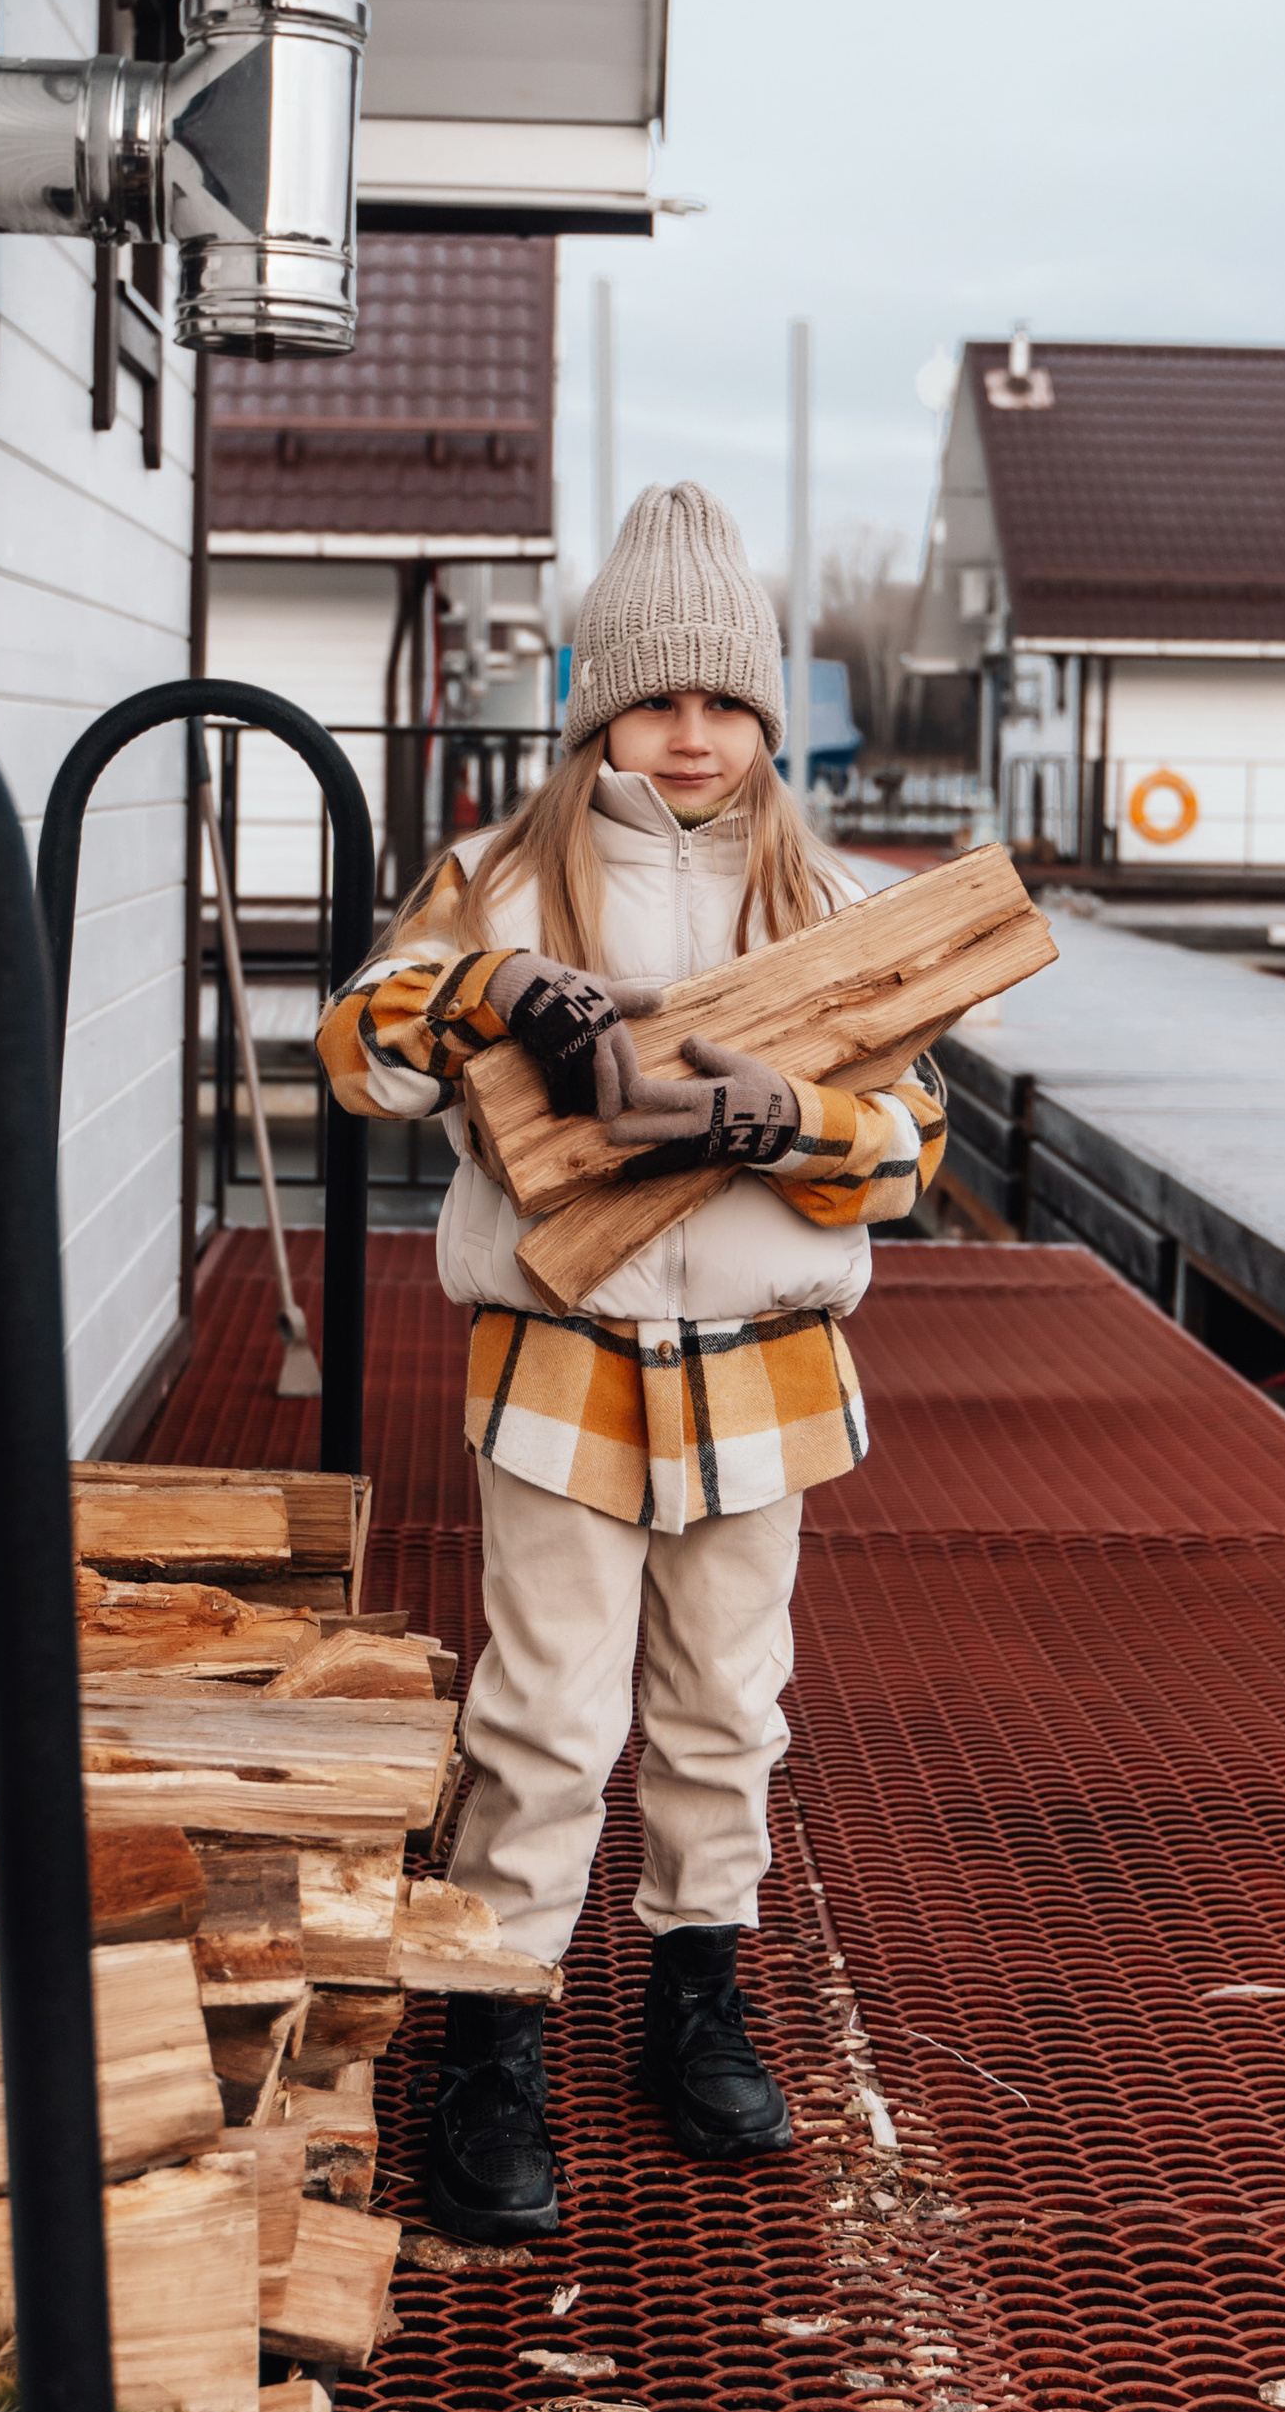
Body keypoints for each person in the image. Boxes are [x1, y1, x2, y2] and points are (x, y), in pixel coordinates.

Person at [314, 483, 948, 2242]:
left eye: (725, 701)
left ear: (765, 711)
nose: (692, 733)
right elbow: (357, 1049)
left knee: (727, 1703)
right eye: (656, 698)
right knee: (543, 1712)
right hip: (564, 1358)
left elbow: (912, 1146)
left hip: (762, 1363)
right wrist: (490, 994)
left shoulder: (826, 903)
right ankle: (493, 2037)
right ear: (598, 704)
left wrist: (791, 1119)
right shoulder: (503, 880)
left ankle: (696, 1995)